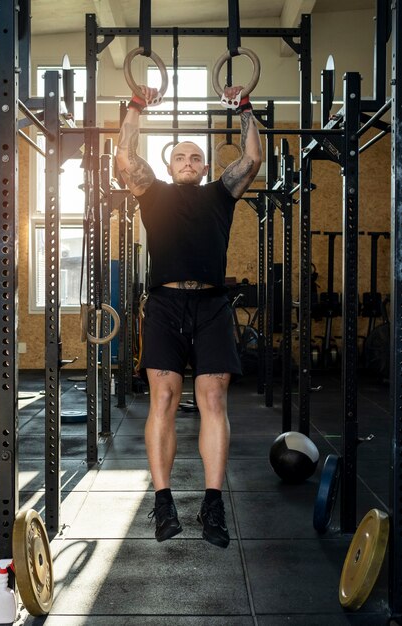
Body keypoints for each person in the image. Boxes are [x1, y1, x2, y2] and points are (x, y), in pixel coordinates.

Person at [116, 83, 262, 549]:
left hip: (212, 305)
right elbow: (124, 158)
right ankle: (163, 502)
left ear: (204, 166)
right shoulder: (152, 193)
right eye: (180, 156)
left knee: (214, 399)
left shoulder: (220, 194)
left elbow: (253, 159)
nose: (189, 162)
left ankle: (213, 502)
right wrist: (136, 107)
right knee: (162, 397)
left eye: (196, 157)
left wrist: (243, 108)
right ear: (168, 164)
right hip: (163, 305)